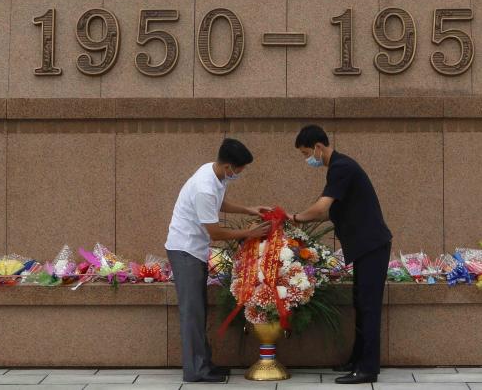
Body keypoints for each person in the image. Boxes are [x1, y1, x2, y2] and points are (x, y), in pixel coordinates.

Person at [289, 124, 392, 385]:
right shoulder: (338, 168)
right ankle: (358, 359)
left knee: (368, 306)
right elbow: (326, 211)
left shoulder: (341, 168)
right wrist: (298, 219)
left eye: (305, 153)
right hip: (365, 246)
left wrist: (294, 217)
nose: (307, 159)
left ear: (318, 147)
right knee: (360, 303)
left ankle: (368, 369)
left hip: (372, 245)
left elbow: (322, 206)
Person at [165, 137, 271, 383]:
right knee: (192, 313)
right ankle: (195, 371)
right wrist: (249, 233)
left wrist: (249, 209)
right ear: (228, 167)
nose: (240, 174)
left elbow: (218, 203)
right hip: (185, 250)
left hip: (194, 249)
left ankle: (204, 364)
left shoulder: (213, 173)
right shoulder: (204, 186)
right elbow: (215, 232)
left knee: (198, 312)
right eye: (240, 170)